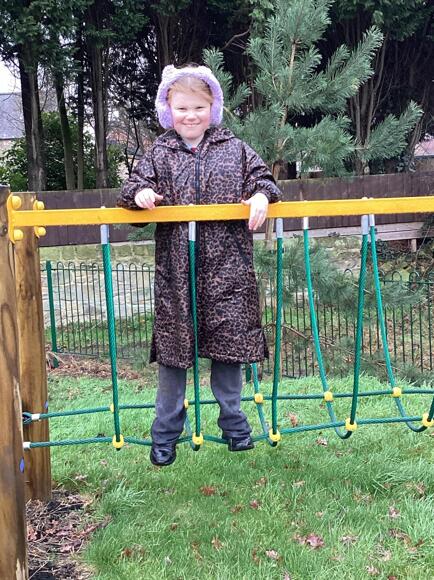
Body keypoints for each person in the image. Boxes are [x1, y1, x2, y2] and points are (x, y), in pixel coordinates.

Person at [117, 63, 281, 466]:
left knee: (229, 350)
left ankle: (234, 424)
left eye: (198, 108)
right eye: (182, 108)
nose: (190, 116)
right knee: (173, 355)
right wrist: (141, 194)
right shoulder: (159, 152)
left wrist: (261, 196)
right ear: (168, 110)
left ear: (213, 109)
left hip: (229, 268)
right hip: (177, 272)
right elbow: (131, 186)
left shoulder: (234, 149)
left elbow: (264, 180)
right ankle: (165, 433)